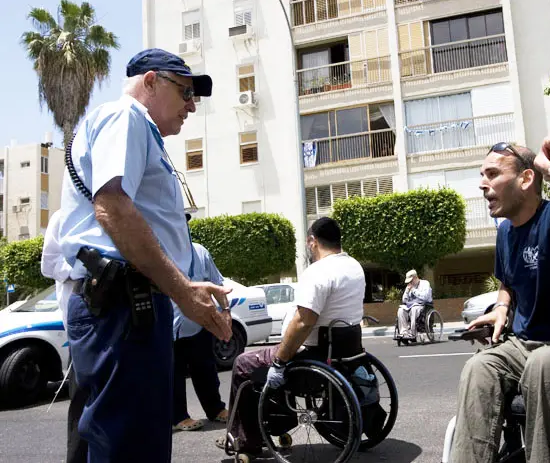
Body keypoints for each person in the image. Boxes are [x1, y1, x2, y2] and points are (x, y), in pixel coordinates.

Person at [58, 48, 233, 462]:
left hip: (126, 304)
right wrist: (184, 293)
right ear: (150, 82)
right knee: (132, 447)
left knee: (115, 442)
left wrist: (183, 286)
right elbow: (113, 206)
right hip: (124, 306)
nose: (192, 105)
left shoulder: (138, 128)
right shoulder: (128, 116)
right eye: (185, 91)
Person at [449, 136, 550, 463]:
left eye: (492, 174)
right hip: (524, 345)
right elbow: (508, 281)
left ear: (526, 178)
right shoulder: (505, 231)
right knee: (479, 366)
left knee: (542, 364)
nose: (482, 185)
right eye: (482, 176)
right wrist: (502, 307)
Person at [215, 216, 366, 455]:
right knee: (272, 360)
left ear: (312, 241)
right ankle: (277, 426)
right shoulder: (354, 267)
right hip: (344, 352)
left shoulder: (319, 272)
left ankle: (245, 441)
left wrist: (279, 362)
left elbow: (304, 322)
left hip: (312, 355)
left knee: (245, 364)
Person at [40, 210, 87, 463]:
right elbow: (49, 264)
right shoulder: (61, 216)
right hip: (82, 327)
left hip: (110, 322)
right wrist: (88, 270)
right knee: (82, 403)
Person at [172, 240, 229, 432]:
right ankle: (179, 416)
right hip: (170, 328)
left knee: (206, 369)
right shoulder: (161, 250)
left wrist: (226, 311)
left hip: (200, 324)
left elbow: (217, 283)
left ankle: (216, 409)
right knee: (174, 374)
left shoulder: (200, 252)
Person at [396, 269, 433, 341]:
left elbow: (425, 297)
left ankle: (413, 333)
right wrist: (407, 292)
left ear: (415, 278)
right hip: (410, 305)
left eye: (410, 281)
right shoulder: (409, 286)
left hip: (423, 305)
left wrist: (413, 290)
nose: (409, 283)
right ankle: (404, 333)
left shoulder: (425, 283)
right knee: (401, 310)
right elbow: (404, 300)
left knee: (414, 309)